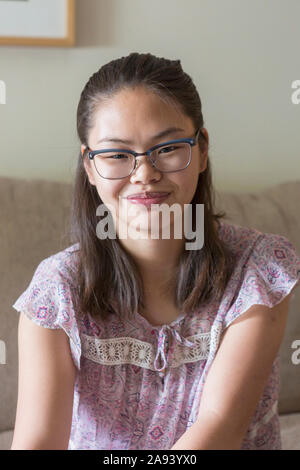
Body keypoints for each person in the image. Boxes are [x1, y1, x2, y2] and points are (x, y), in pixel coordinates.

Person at [11, 52, 300, 450]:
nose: (144, 174)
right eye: (117, 154)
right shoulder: (57, 289)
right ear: (90, 167)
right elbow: (38, 442)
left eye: (166, 149)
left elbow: (219, 430)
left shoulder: (257, 271)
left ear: (201, 150)